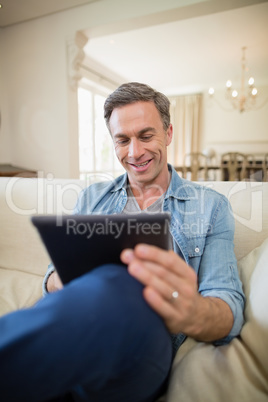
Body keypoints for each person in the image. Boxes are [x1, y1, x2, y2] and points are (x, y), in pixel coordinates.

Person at [0, 82, 245, 402]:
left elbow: (229, 309)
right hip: (78, 334)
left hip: (145, 345)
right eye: (123, 140)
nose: (134, 152)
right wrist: (68, 277)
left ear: (168, 133)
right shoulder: (92, 198)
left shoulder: (210, 206)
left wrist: (191, 311)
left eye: (146, 136)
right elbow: (51, 278)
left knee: (120, 281)